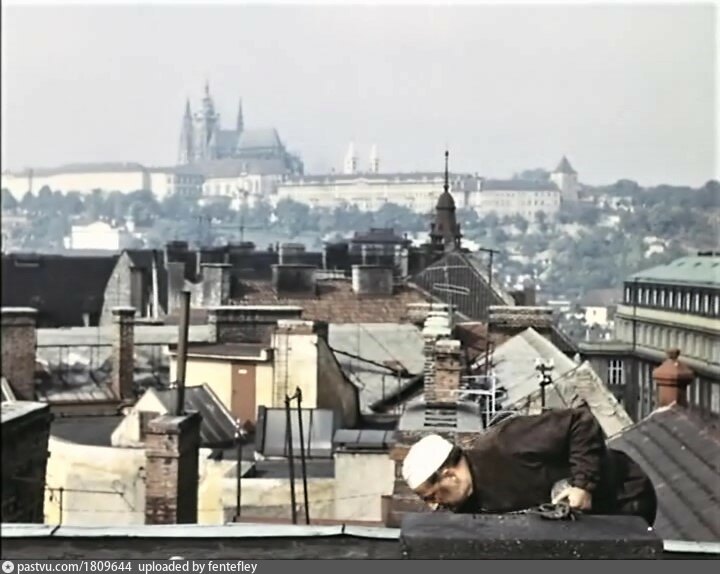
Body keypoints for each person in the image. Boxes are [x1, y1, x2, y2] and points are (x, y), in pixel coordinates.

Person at [401, 406, 657, 524]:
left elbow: (579, 422)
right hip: (583, 524)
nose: (434, 505)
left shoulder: (507, 442)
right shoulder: (467, 506)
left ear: (449, 475)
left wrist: (583, 485)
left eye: (431, 496)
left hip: (625, 498)